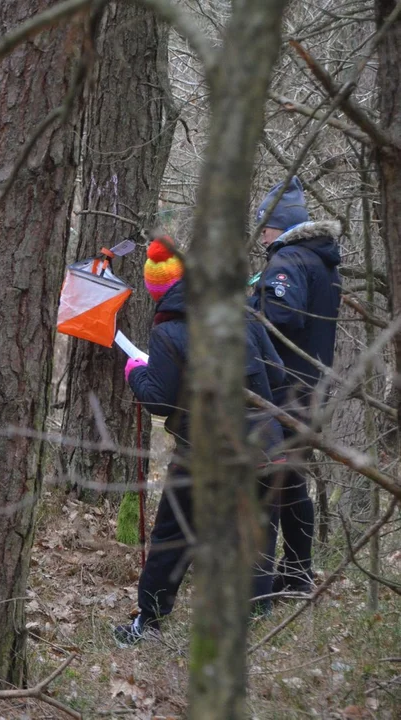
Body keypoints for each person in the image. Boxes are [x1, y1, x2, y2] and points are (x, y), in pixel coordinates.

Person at [114, 238, 286, 645]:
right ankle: (257, 624)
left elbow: (157, 398)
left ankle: (148, 623)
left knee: (172, 537)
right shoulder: (242, 313)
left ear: (159, 294)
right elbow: (276, 374)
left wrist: (135, 371)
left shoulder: (170, 331)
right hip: (265, 443)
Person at [249, 176, 342, 594]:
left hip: (285, 391)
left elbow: (283, 315)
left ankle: (264, 582)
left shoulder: (288, 262)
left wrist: (248, 308)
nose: (261, 234)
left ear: (279, 224)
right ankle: (298, 573)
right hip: (310, 390)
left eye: (264, 226)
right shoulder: (319, 260)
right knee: (292, 483)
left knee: (269, 484)